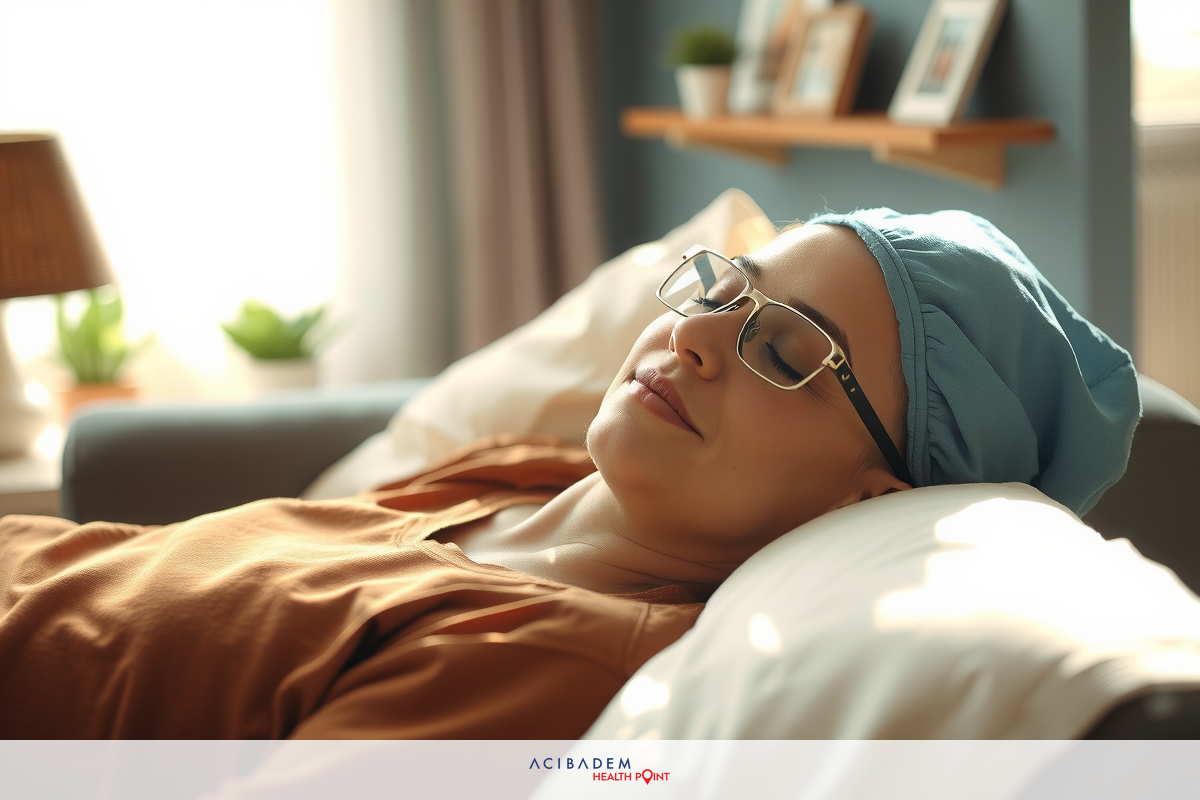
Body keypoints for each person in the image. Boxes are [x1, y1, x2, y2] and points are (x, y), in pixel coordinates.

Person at [0, 208, 1140, 739]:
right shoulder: (522, 474)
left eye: (785, 349)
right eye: (721, 288)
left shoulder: (549, 666)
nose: (696, 338)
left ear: (872, 494)